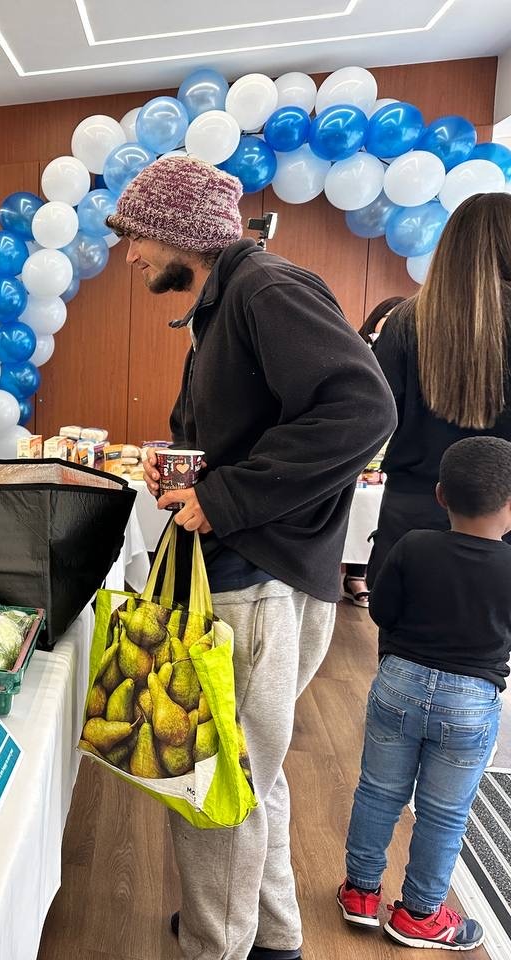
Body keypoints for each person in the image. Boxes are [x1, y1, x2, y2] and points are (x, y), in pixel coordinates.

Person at [109, 155, 396, 960]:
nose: (129, 256)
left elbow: (364, 407)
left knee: (213, 791)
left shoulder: (267, 290)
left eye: (136, 237)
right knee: (250, 774)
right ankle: (271, 940)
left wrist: (229, 498)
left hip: (254, 583)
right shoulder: (226, 300)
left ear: (180, 233)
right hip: (259, 575)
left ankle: (217, 946)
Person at [337, 436, 511, 951]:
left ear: (440, 495)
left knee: (377, 792)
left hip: (399, 685)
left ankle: (361, 893)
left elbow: (381, 610)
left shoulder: (413, 545)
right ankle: (420, 915)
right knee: (445, 813)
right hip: (471, 700)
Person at [367, 192, 511, 587]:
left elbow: (376, 416)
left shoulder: (405, 322)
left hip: (413, 513)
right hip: (502, 520)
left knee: (403, 634)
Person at [342, 296, 405, 606]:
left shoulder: (410, 353)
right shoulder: (355, 350)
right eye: (389, 316)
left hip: (388, 450)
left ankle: (360, 573)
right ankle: (349, 574)